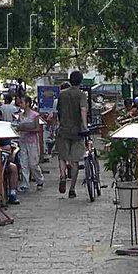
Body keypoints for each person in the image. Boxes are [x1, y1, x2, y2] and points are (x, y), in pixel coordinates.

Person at [53, 70, 87, 198]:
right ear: (80, 81)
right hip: (77, 132)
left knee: (62, 156)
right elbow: (83, 110)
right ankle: (72, 189)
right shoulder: (81, 95)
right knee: (75, 161)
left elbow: (58, 112)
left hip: (63, 130)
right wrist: (84, 126)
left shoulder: (62, 95)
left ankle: (62, 175)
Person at [14, 96, 44, 192]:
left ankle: (39, 180)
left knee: (33, 164)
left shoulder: (35, 115)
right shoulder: (20, 116)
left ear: (27, 103)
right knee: (24, 163)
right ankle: (25, 184)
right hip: (23, 141)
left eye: (22, 102)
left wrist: (25, 128)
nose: (20, 104)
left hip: (32, 142)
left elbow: (37, 129)